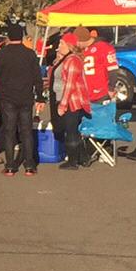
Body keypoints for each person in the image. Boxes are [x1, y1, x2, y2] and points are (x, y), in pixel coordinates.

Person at [0, 22, 42, 175]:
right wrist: (39, 96)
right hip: (26, 97)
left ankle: (10, 165)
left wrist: (0, 94)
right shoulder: (29, 54)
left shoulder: (2, 54)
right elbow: (37, 77)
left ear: (8, 37)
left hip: (8, 98)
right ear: (21, 36)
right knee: (26, 131)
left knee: (9, 131)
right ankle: (29, 165)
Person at [48, 28, 90, 167]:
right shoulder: (65, 59)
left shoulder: (73, 60)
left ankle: (72, 161)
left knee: (70, 130)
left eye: (61, 44)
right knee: (71, 129)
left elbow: (70, 85)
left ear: (69, 45)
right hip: (63, 98)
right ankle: (83, 157)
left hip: (72, 101)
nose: (58, 46)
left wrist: (63, 104)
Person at [79, 26, 117, 106]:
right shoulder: (81, 50)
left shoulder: (104, 47)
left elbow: (113, 70)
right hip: (84, 95)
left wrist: (110, 89)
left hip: (100, 94)